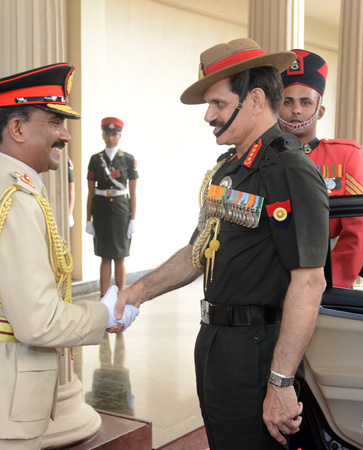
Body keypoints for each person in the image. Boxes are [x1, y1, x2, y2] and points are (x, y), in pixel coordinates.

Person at [112, 38, 329, 450]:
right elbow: (199, 251)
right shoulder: (229, 169)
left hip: (258, 352)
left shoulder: (287, 168)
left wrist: (281, 382)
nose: (209, 116)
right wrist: (139, 291)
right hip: (215, 344)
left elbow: (309, 282)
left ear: (255, 100)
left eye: (218, 104)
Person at [0, 63, 137, 450]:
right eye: (54, 122)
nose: (65, 134)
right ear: (17, 129)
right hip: (1, 398)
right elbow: (38, 322)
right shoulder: (14, 201)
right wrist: (105, 314)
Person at [279, 50, 363, 289]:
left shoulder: (346, 156)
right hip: (268, 285)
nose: (296, 111)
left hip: (325, 283)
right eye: (287, 101)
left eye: (306, 102)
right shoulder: (261, 157)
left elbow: (358, 230)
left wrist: (330, 283)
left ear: (319, 111)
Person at [85, 117, 138, 297]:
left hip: (121, 211)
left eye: (114, 134)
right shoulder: (95, 160)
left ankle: (121, 295)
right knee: (104, 255)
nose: (110, 137)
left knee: (120, 255)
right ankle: (104, 296)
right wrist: (88, 219)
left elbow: (133, 192)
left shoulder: (128, 160)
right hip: (100, 210)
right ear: (102, 135)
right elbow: (90, 192)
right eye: (107, 133)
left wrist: (133, 219)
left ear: (120, 136)